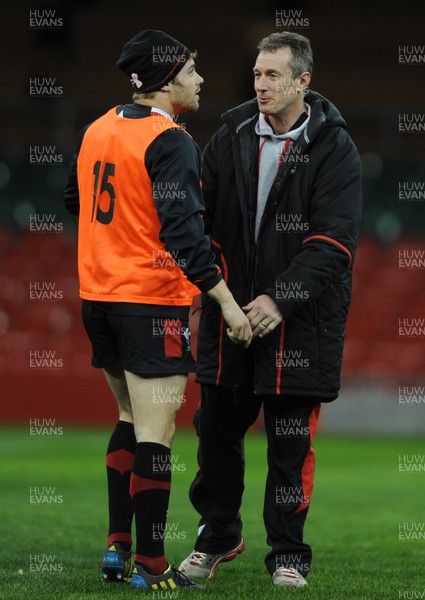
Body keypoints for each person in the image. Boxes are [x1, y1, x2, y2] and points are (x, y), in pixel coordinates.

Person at [64, 29, 252, 592]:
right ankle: (151, 564)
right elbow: (185, 237)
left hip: (97, 298)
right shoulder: (171, 140)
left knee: (128, 419)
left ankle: (118, 551)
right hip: (150, 302)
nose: (200, 80)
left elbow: (75, 201)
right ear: (167, 79)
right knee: (158, 434)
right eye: (192, 70)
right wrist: (228, 304)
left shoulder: (96, 127)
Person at [179, 31, 362, 588]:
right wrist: (218, 299)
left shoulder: (334, 147)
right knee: (214, 438)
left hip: (300, 327)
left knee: (289, 446)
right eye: (258, 75)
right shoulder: (230, 132)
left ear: (303, 81)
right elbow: (198, 221)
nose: (261, 85)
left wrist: (279, 299)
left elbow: (334, 242)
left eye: (273, 76)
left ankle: (288, 554)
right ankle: (218, 538)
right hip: (228, 319)